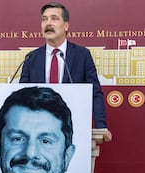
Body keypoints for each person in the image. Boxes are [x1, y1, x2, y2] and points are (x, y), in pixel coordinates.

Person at [20, 2, 112, 142]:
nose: (48, 23)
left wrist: (101, 126)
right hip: (37, 130)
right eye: (44, 19)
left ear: (66, 26)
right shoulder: (31, 58)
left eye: (54, 18)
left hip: (74, 128)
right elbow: (22, 95)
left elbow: (95, 93)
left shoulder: (82, 55)